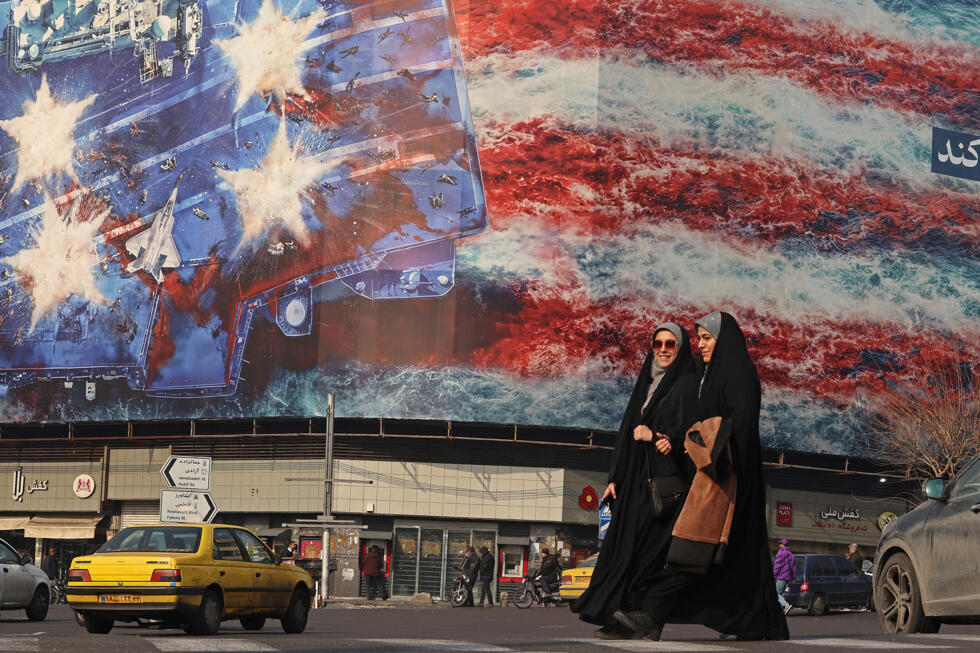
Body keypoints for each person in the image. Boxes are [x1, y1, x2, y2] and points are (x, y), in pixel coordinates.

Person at [614, 311, 789, 642]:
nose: (701, 345)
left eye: (707, 338)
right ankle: (756, 622)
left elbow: (740, 426)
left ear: (724, 340)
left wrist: (704, 444)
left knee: (695, 550)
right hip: (713, 474)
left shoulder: (738, 374)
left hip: (730, 480)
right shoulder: (713, 375)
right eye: (700, 339)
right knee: (725, 557)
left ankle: (651, 612)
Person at [572, 322, 698, 639]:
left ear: (681, 348)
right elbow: (627, 433)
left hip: (663, 485)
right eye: (658, 344)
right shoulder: (647, 383)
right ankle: (621, 617)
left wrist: (656, 436)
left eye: (671, 344)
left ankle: (642, 616)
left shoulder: (687, 384)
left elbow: (689, 433)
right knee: (624, 550)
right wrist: (615, 477)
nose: (665, 350)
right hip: (635, 482)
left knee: (645, 553)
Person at [772, 539, 796, 615]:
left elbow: (777, 565)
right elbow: (793, 567)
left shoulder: (781, 553)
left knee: (776, 593)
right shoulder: (791, 554)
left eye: (780, 544)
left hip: (781, 576)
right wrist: (793, 578)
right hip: (788, 578)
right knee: (781, 593)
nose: (779, 545)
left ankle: (786, 605)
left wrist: (774, 574)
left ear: (782, 545)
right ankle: (782, 609)